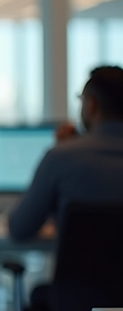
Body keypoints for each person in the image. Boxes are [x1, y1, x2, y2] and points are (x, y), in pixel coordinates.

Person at [9, 66, 123, 242]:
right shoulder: (65, 156)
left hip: (80, 269)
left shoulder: (61, 158)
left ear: (91, 104)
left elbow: (19, 227)